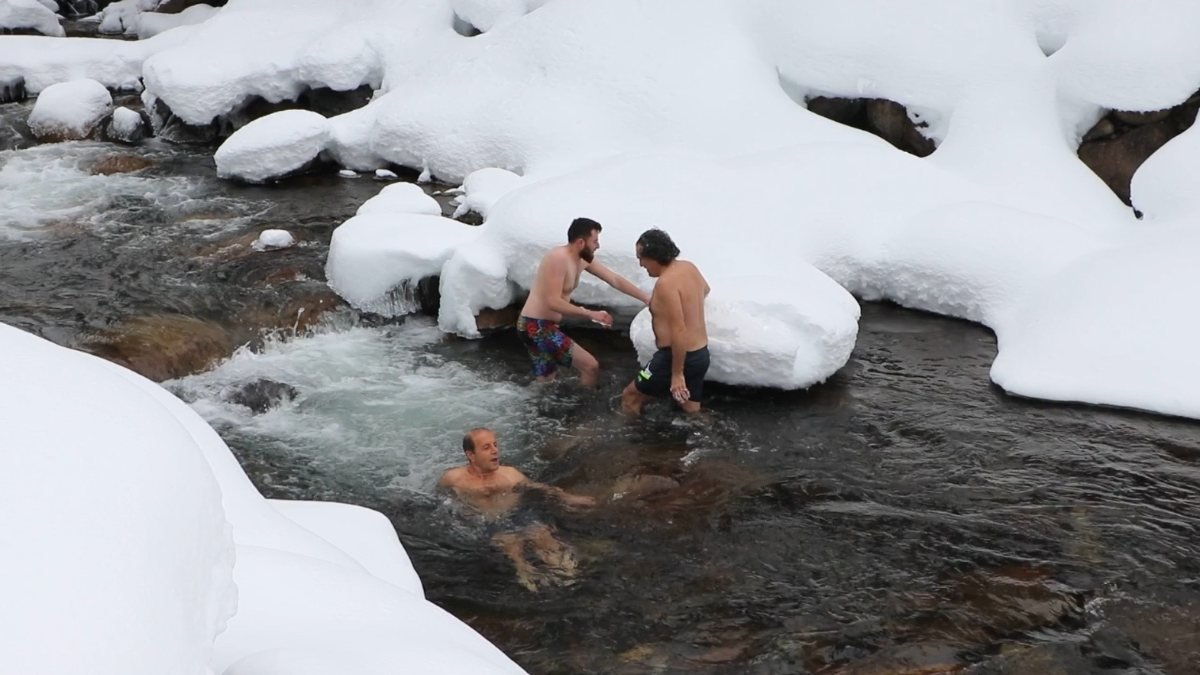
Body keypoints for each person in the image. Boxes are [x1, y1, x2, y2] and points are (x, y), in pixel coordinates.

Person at [438, 427, 596, 591]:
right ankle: (528, 576)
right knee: (511, 544)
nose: (495, 451)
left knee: (541, 534)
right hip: (486, 521)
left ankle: (571, 576)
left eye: (495, 445)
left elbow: (539, 488)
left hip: (517, 514)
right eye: (486, 447)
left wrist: (569, 498)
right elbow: (439, 499)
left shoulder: (510, 475)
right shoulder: (453, 479)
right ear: (471, 455)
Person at [517, 217, 651, 386]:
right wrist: (589, 313)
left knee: (546, 380)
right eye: (594, 241)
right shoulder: (558, 258)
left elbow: (614, 279)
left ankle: (537, 410)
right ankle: (583, 409)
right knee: (590, 366)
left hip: (539, 326)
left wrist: (645, 297)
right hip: (535, 327)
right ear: (581, 242)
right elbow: (552, 301)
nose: (598, 246)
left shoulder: (582, 259)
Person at [621, 229, 710, 415]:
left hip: (673, 358)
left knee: (630, 397)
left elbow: (678, 330)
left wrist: (677, 374)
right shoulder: (688, 267)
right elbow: (705, 290)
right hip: (701, 355)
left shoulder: (666, 284)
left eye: (641, 258)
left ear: (654, 257)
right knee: (690, 409)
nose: (640, 264)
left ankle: (633, 443)